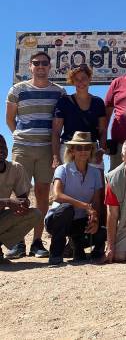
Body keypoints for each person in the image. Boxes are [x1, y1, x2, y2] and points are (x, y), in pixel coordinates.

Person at [5, 51, 66, 259]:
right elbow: (10, 120)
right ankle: (18, 242)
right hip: (22, 147)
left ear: (50, 67)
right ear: (29, 67)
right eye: (36, 63)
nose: (40, 66)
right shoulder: (17, 90)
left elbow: (60, 121)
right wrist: (21, 137)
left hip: (47, 148)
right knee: (19, 194)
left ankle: (37, 242)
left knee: (41, 194)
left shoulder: (60, 92)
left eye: (44, 63)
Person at [45, 132, 106, 266]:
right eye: (79, 148)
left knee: (102, 231)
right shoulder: (62, 169)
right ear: (72, 150)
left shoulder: (95, 173)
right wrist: (85, 206)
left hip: (79, 221)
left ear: (91, 150)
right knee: (67, 209)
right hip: (57, 220)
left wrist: (94, 218)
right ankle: (55, 254)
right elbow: (57, 195)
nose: (83, 151)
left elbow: (96, 201)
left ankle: (79, 247)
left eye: (87, 147)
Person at [52, 64, 107, 170]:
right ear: (72, 81)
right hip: (69, 149)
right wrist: (56, 157)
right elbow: (56, 132)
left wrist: (101, 151)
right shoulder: (64, 101)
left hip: (92, 149)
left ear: (89, 79)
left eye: (84, 78)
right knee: (68, 186)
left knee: (97, 185)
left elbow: (103, 130)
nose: (80, 82)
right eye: (76, 79)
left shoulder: (98, 102)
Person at [0, 134, 41, 262]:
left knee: (34, 214)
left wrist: (24, 204)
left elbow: (22, 197)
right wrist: (7, 202)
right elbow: (9, 202)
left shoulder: (15, 168)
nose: (1, 150)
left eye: (3, 146)